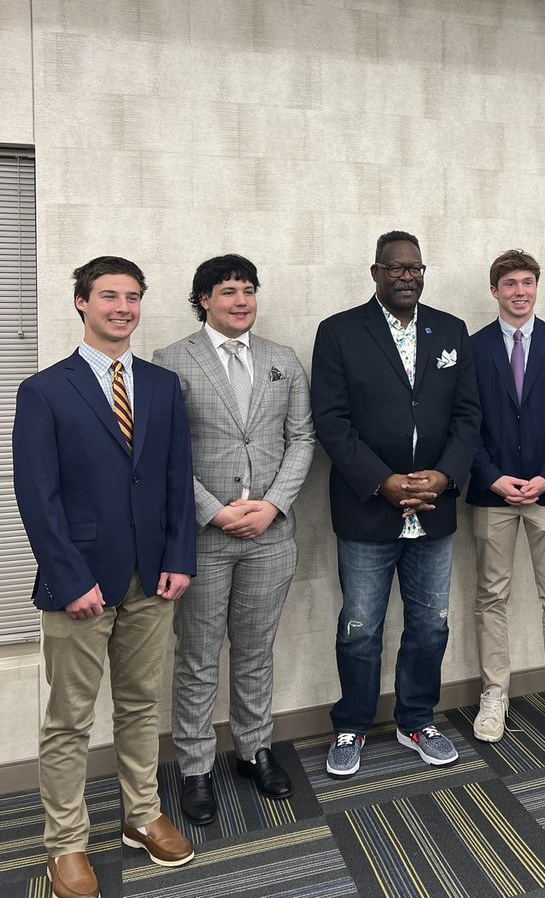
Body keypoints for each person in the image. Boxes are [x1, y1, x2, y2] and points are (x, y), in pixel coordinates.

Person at [13, 256, 196, 898]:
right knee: (69, 718)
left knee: (141, 704)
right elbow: (37, 497)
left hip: (154, 578)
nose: (123, 308)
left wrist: (179, 557)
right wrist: (70, 579)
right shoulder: (44, 390)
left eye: (133, 297)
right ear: (82, 303)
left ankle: (140, 814)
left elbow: (176, 480)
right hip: (80, 584)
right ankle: (65, 843)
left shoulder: (163, 385)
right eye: (109, 296)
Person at [312, 231, 481, 777]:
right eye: (396, 267)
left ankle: (416, 719)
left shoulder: (450, 330)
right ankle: (352, 724)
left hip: (434, 507)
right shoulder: (338, 332)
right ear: (376, 273)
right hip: (368, 507)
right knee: (361, 626)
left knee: (430, 625)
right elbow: (331, 421)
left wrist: (445, 476)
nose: (407, 276)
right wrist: (381, 480)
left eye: (415, 268)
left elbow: (468, 416)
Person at [153, 255, 315, 825]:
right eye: (228, 291)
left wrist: (272, 506)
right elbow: (165, 452)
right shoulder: (171, 361)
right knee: (197, 656)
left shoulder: (282, 359)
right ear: (204, 300)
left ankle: (254, 749)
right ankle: (195, 767)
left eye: (248, 290)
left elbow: (302, 438)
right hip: (203, 537)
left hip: (271, 533)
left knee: (254, 650)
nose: (241, 301)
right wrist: (216, 512)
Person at [468, 250, 545, 742]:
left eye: (527, 283)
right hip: (492, 492)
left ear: (537, 287)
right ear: (494, 291)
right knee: (491, 596)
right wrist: (492, 476)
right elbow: (464, 421)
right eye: (510, 284)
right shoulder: (473, 347)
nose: (520, 292)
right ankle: (494, 693)